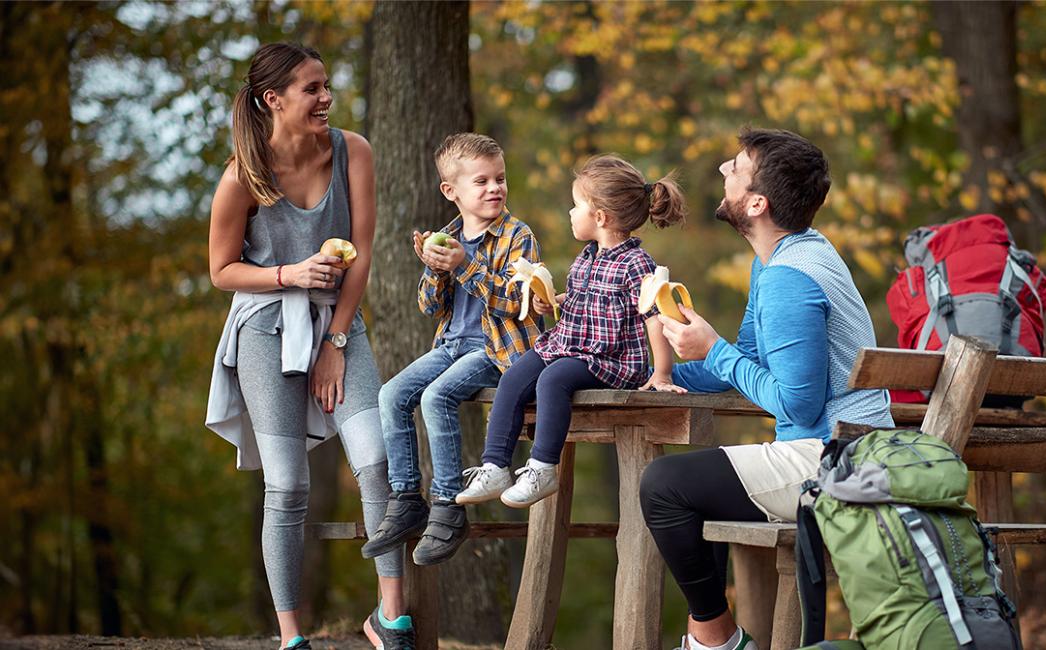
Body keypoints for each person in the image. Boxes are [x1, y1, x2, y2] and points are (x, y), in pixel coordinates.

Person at [640, 128, 894, 650]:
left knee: (664, 485)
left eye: (734, 167)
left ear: (756, 202)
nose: (722, 172)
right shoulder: (787, 256)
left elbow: (796, 402)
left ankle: (717, 643)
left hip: (834, 458)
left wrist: (712, 349)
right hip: (840, 446)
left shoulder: (788, 279)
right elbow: (751, 361)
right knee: (693, 486)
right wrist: (656, 376)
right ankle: (715, 641)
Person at [204, 43, 413, 650]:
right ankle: (292, 637)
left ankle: (390, 617)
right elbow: (220, 271)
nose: (326, 98)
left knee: (378, 462)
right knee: (288, 485)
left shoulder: (354, 151)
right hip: (265, 329)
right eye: (312, 88)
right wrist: (288, 274)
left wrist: (338, 341)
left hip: (339, 325)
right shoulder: (243, 174)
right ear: (274, 99)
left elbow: (363, 250)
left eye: (327, 86)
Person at [455, 154, 688, 509]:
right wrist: (554, 302)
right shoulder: (587, 256)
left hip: (610, 358)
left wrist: (661, 372)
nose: (570, 212)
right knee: (515, 376)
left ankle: (542, 467)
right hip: (569, 343)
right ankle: (495, 465)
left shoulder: (635, 263)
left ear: (600, 217)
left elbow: (654, 315)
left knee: (553, 380)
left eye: (576, 205)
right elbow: (586, 300)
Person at [359, 133, 543, 566]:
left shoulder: (518, 236)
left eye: (499, 178)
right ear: (451, 191)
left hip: (500, 350)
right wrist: (434, 268)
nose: (494, 188)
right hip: (452, 345)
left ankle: (447, 504)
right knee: (391, 395)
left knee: (436, 396)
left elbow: (517, 304)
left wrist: (465, 264)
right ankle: (406, 498)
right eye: (481, 181)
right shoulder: (446, 236)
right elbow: (429, 307)